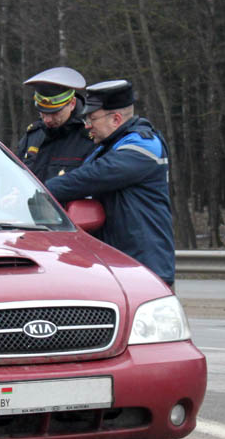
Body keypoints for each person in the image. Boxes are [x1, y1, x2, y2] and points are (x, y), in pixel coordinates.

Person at [44, 80, 175, 285]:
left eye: (92, 118)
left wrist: (40, 192)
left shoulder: (143, 145)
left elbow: (90, 177)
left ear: (115, 119)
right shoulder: (107, 148)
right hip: (120, 266)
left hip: (146, 269)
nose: (87, 125)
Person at [16, 66, 95, 182]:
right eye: (43, 112)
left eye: (55, 113)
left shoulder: (90, 137)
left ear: (72, 104)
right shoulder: (34, 135)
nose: (47, 120)